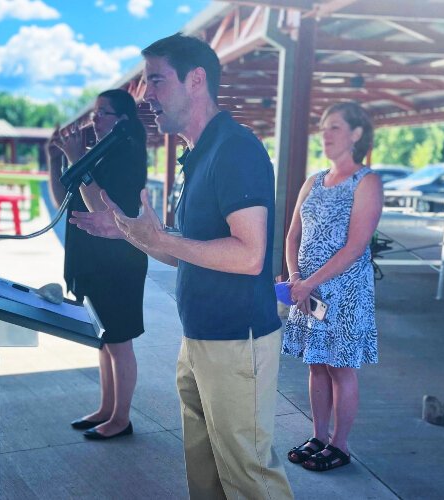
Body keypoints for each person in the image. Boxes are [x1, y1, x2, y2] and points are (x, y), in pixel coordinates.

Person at [70, 34, 293, 499]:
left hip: (236, 341)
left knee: (248, 478)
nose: (145, 95)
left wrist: (160, 236)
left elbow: (250, 255)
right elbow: (182, 250)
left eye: (155, 80)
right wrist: (135, 234)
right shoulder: (200, 153)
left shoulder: (235, 149)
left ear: (196, 80)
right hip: (199, 339)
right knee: (206, 474)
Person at [282, 101, 383, 471]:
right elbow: (293, 234)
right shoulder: (313, 180)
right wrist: (295, 279)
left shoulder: (366, 182)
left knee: (341, 368)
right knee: (316, 365)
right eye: (323, 127)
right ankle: (319, 436)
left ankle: (339, 445)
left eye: (335, 127)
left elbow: (356, 246)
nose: (325, 134)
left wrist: (308, 283)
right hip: (307, 291)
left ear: (356, 134)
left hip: (343, 292)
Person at [47, 89, 148, 440]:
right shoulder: (97, 155)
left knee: (119, 341)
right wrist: (55, 160)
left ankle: (121, 418)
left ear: (121, 120)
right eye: (94, 112)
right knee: (103, 341)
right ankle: (107, 408)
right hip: (90, 262)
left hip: (118, 263)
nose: (94, 119)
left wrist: (79, 159)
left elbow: (101, 213)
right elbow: (65, 203)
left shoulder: (127, 155)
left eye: (102, 113)